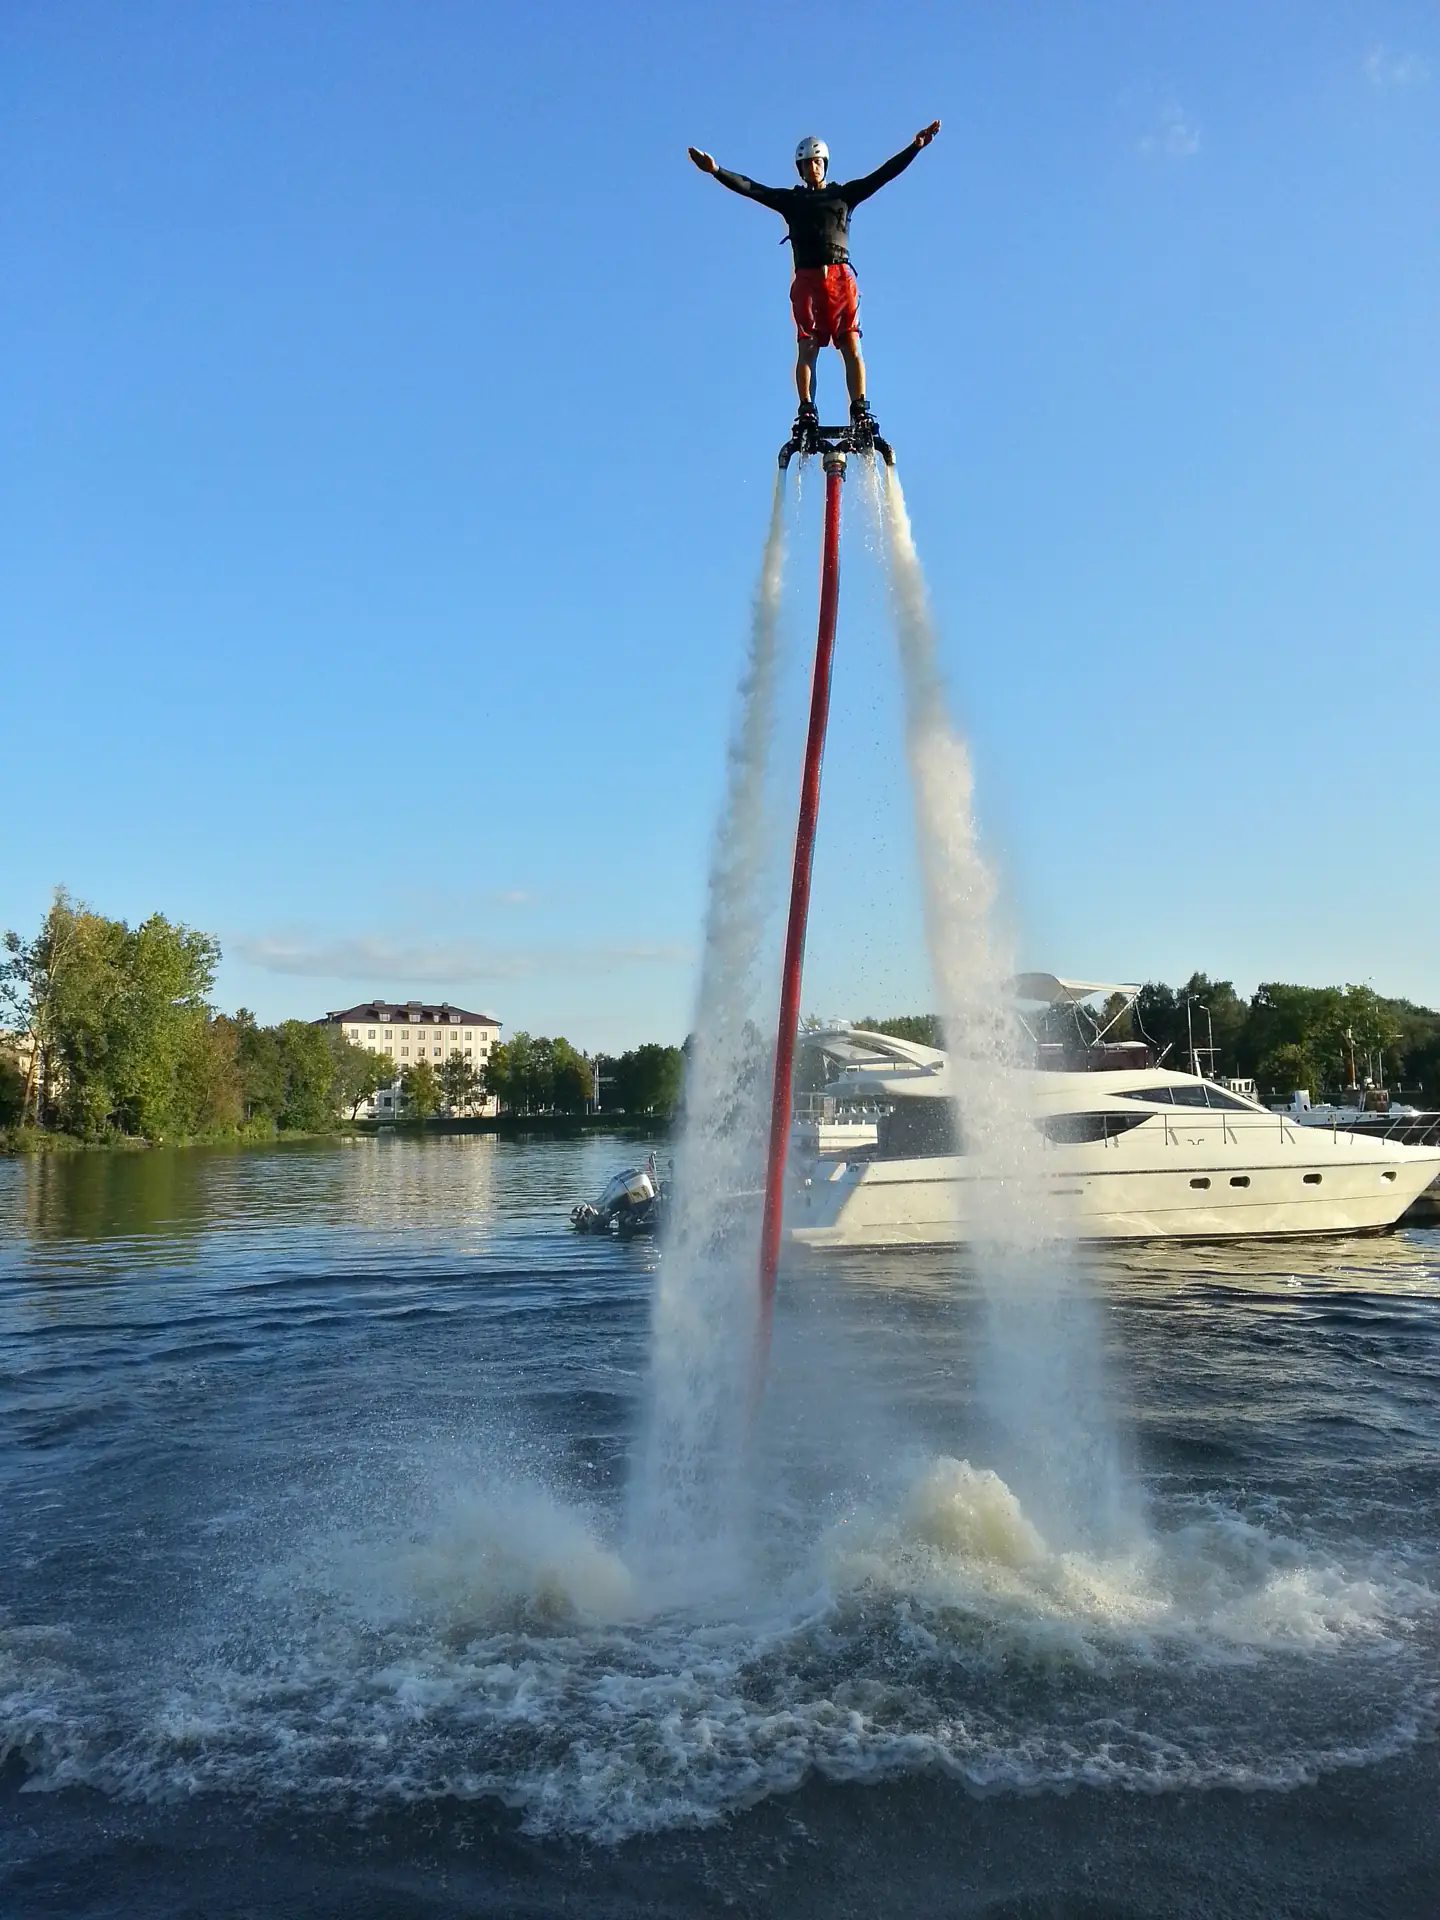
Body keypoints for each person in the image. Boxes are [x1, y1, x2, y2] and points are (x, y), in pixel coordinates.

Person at [687, 123, 940, 435]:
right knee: (807, 346)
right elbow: (751, 188)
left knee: (850, 342)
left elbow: (883, 175)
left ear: (825, 164)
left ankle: (859, 407)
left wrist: (914, 147)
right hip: (807, 280)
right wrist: (716, 170)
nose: (813, 167)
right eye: (807, 164)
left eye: (817, 162)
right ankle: (806, 410)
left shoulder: (843, 194)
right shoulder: (791, 201)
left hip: (839, 278)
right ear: (800, 169)